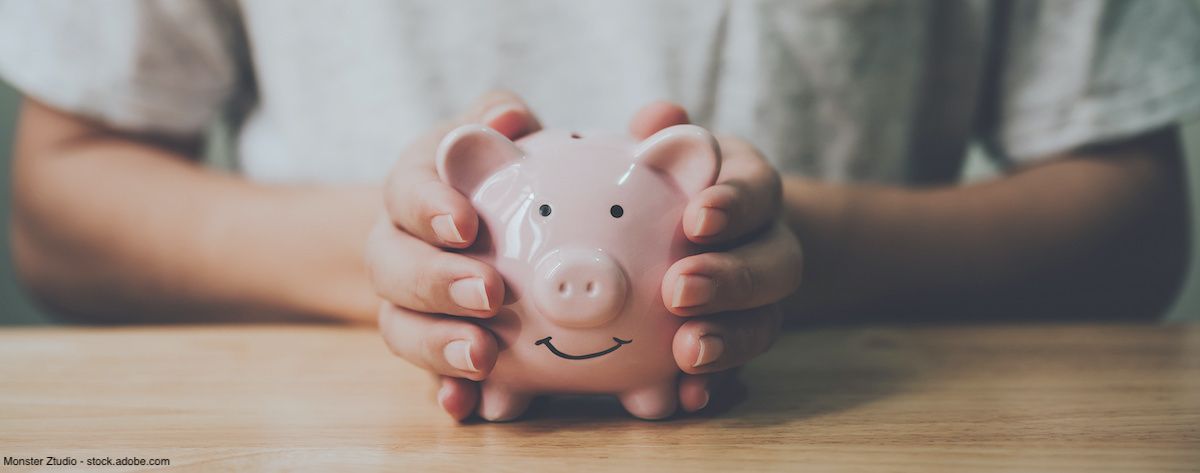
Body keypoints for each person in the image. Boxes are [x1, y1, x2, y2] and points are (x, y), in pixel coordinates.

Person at [1, 0, 1197, 420]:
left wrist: (799, 251)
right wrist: (398, 261)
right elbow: (61, 203)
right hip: (339, 422)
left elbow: (1131, 215)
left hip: (848, 410)